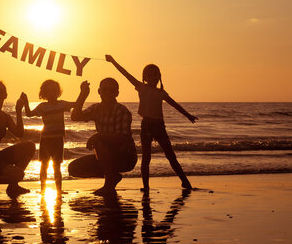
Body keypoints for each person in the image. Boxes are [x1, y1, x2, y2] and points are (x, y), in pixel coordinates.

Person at [105, 55, 197, 192]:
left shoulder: (161, 93)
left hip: (159, 126)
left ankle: (185, 182)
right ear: (145, 77)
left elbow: (174, 104)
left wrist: (188, 115)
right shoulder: (141, 87)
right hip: (146, 125)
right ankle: (146, 187)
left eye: (155, 75)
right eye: (150, 75)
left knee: (171, 156)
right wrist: (113, 61)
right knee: (146, 158)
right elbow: (125, 74)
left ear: (159, 76)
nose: (153, 77)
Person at [69, 79, 137, 196]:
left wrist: (99, 136)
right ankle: (112, 175)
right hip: (106, 155)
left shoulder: (122, 110)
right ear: (99, 91)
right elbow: (75, 117)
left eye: (112, 90)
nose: (108, 93)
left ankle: (109, 183)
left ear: (117, 93)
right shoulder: (97, 108)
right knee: (74, 168)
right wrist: (83, 95)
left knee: (99, 142)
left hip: (125, 156)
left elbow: (122, 138)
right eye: (105, 90)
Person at [19, 79, 74, 193]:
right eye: (48, 91)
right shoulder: (42, 107)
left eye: (54, 91)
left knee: (57, 165)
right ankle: (43, 189)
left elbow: (77, 104)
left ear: (58, 92)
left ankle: (59, 189)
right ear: (44, 93)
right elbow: (29, 114)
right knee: (44, 165)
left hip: (58, 139)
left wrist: (83, 93)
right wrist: (25, 102)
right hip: (45, 139)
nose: (52, 93)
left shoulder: (62, 104)